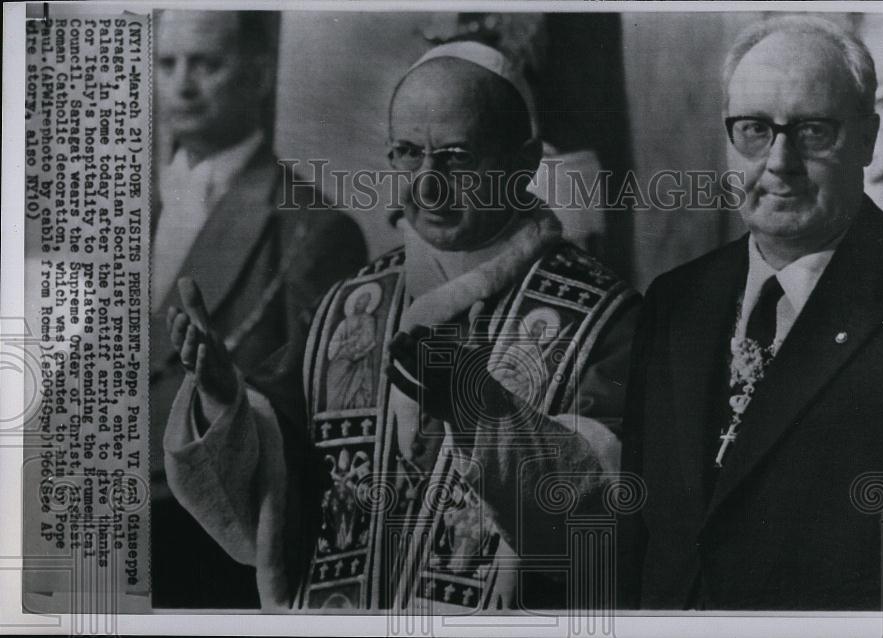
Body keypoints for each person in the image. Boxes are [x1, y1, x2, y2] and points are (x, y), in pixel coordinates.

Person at [162, 41, 639, 611]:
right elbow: (274, 493)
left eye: (456, 158)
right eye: (409, 154)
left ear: (525, 163)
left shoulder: (604, 317)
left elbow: (604, 522)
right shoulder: (352, 304)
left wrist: (480, 413)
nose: (428, 184)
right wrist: (221, 401)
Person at [620, 16, 883, 610]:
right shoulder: (674, 302)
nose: (779, 161)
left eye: (812, 131)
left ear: (866, 140)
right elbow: (640, 531)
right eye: (755, 129)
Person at [149, 10, 367, 607]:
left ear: (260, 73)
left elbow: (321, 428)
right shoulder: (117, 203)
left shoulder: (313, 228)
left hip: (207, 550)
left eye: (206, 63)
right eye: (167, 64)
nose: (182, 84)